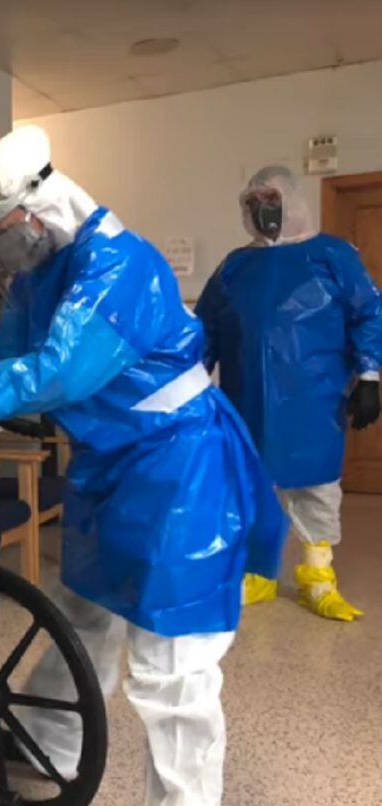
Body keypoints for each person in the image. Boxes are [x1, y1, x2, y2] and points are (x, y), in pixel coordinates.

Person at [0, 125, 287, 806]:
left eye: (2, 233)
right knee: (86, 612)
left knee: (172, 663)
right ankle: (47, 737)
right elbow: (6, 358)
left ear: (41, 208)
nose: (2, 251)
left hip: (180, 469)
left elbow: (60, 372)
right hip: (113, 464)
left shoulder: (121, 267)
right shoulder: (43, 275)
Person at [196, 165, 382, 621]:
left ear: (293, 200)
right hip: (247, 397)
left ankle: (318, 579)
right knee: (251, 485)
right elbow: (205, 328)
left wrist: (370, 378)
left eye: (271, 200)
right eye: (254, 202)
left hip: (314, 400)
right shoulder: (235, 265)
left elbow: (367, 313)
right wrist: (192, 384)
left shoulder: (333, 256)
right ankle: (257, 574)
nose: (263, 211)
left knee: (316, 485)